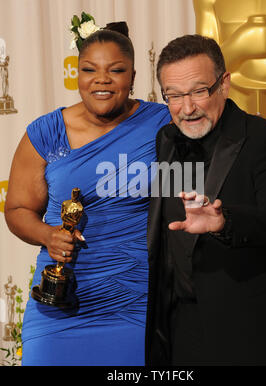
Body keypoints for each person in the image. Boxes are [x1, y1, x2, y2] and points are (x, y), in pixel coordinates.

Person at [4, 22, 171, 366]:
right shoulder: (45, 133)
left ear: (134, 75)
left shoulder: (162, 124)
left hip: (134, 298)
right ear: (77, 74)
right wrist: (48, 235)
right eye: (89, 70)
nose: (102, 80)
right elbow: (18, 208)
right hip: (58, 299)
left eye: (116, 70)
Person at [145, 34, 266, 365]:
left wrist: (224, 221)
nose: (187, 108)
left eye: (199, 91)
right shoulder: (167, 139)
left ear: (224, 84)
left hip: (250, 329)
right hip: (180, 329)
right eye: (174, 96)